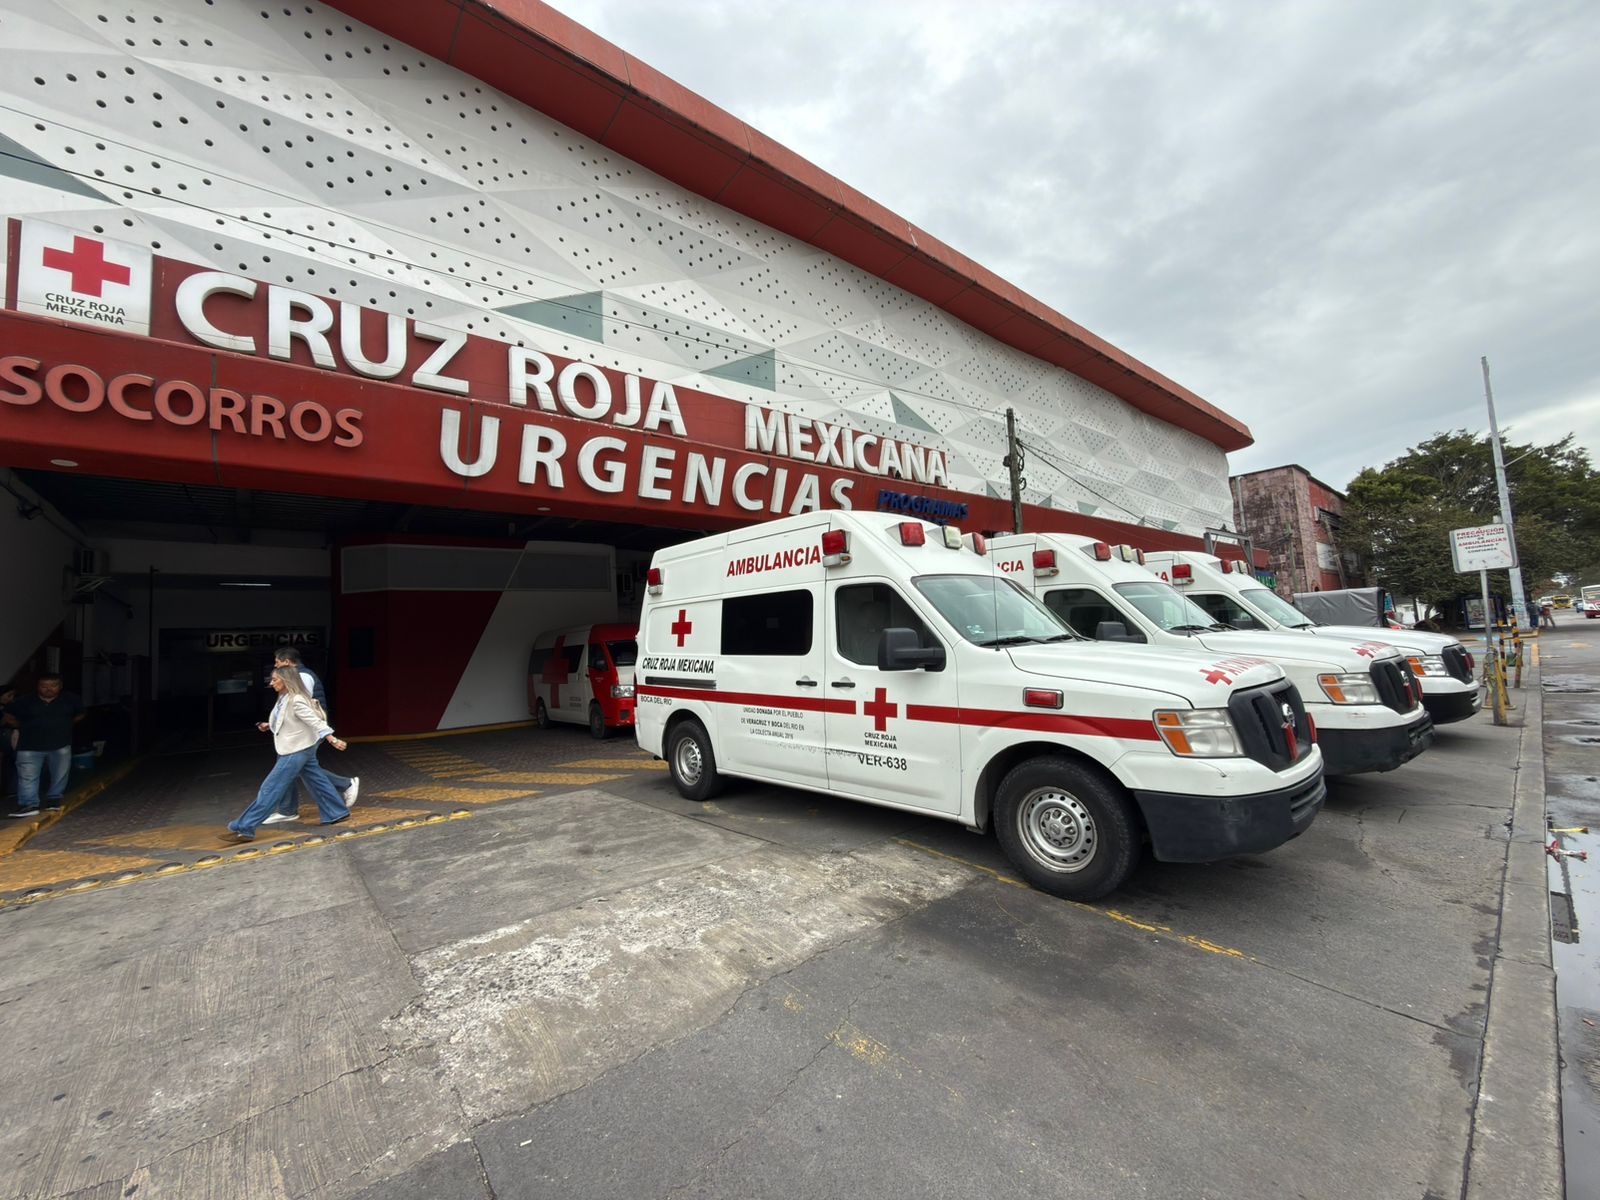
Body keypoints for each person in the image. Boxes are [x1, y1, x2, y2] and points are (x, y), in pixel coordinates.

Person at [227, 667, 350, 842]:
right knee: (317, 780)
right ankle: (336, 812)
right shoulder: (284, 698)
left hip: (295, 750)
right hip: (300, 747)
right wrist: (268, 725)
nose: (271, 683)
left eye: (275, 679)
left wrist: (332, 739)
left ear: (286, 680)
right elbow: (288, 719)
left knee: (271, 788)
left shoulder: (296, 699)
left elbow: (314, 721)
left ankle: (245, 826)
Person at [265, 647, 358, 824]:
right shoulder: (299, 676)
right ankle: (333, 803)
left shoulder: (302, 677)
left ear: (287, 662)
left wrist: (330, 737)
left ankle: (286, 810)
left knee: (291, 769)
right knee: (303, 769)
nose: (275, 666)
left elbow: (302, 708)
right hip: (300, 733)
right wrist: (271, 724)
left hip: (304, 734)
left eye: (277, 662)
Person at [3, 673, 86, 818]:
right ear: (38, 686)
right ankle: (29, 804)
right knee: (27, 776)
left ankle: (54, 800)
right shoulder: (25, 701)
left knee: (59, 774)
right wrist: (21, 726)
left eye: (53, 685)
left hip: (60, 744)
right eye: (44, 686)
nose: (48, 689)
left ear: (60, 686)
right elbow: (8, 715)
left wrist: (66, 724)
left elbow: (81, 714)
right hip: (29, 745)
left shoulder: (71, 699)